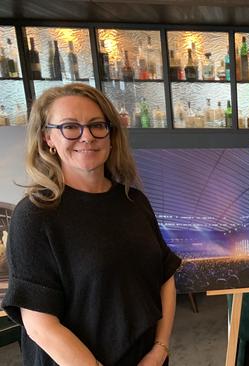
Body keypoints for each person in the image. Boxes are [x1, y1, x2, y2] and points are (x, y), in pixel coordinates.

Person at [1, 83, 182, 366]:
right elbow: (39, 324)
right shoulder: (35, 215)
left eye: (97, 125)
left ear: (111, 134)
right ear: (48, 137)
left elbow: (165, 277)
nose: (87, 136)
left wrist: (159, 351)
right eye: (70, 127)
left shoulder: (133, 201)